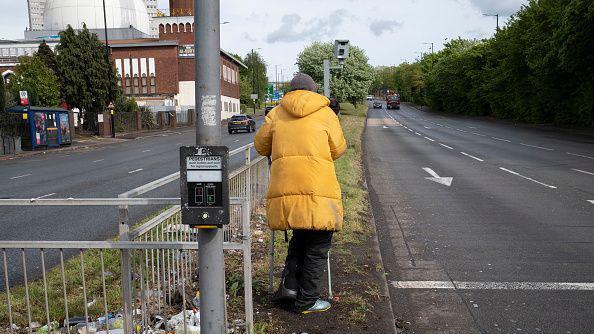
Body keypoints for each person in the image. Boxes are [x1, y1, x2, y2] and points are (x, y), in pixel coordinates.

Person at [254, 73, 347, 314]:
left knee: (299, 239)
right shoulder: (325, 113)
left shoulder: (276, 113)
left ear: (290, 91)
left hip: (286, 191)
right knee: (317, 246)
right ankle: (307, 301)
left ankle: (289, 288)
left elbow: (260, 146)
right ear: (314, 91)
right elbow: (338, 149)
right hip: (318, 190)